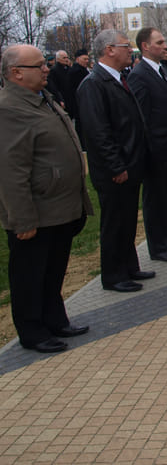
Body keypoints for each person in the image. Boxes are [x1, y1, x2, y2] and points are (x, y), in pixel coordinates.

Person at [0, 45, 94, 353]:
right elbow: (11, 171)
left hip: (59, 208)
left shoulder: (44, 99)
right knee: (30, 275)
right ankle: (33, 331)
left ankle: (55, 319)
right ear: (16, 73)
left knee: (53, 270)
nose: (46, 69)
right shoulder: (9, 109)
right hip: (35, 213)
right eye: (38, 66)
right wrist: (22, 219)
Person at [76, 30, 155, 293]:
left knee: (128, 220)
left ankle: (129, 266)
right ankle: (113, 275)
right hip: (114, 170)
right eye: (125, 46)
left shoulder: (120, 79)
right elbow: (98, 133)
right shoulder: (93, 84)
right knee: (114, 223)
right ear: (109, 49)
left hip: (130, 164)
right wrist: (116, 166)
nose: (130, 50)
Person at [127, 27, 167, 263]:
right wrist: (150, 150)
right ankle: (158, 246)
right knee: (155, 199)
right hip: (155, 151)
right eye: (160, 42)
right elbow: (141, 118)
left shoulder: (163, 70)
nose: (166, 46)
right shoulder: (139, 75)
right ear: (145, 46)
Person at [66, 48, 90, 143]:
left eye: (87, 59)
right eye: (84, 59)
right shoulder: (76, 71)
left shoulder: (81, 70)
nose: (87, 61)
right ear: (77, 59)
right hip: (79, 104)